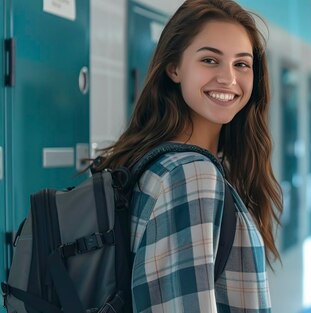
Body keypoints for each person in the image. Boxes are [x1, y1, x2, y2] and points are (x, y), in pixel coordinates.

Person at [92, 0, 282, 311]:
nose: (229, 79)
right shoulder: (190, 174)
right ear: (174, 67)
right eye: (210, 60)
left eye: (242, 64)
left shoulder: (154, 161)